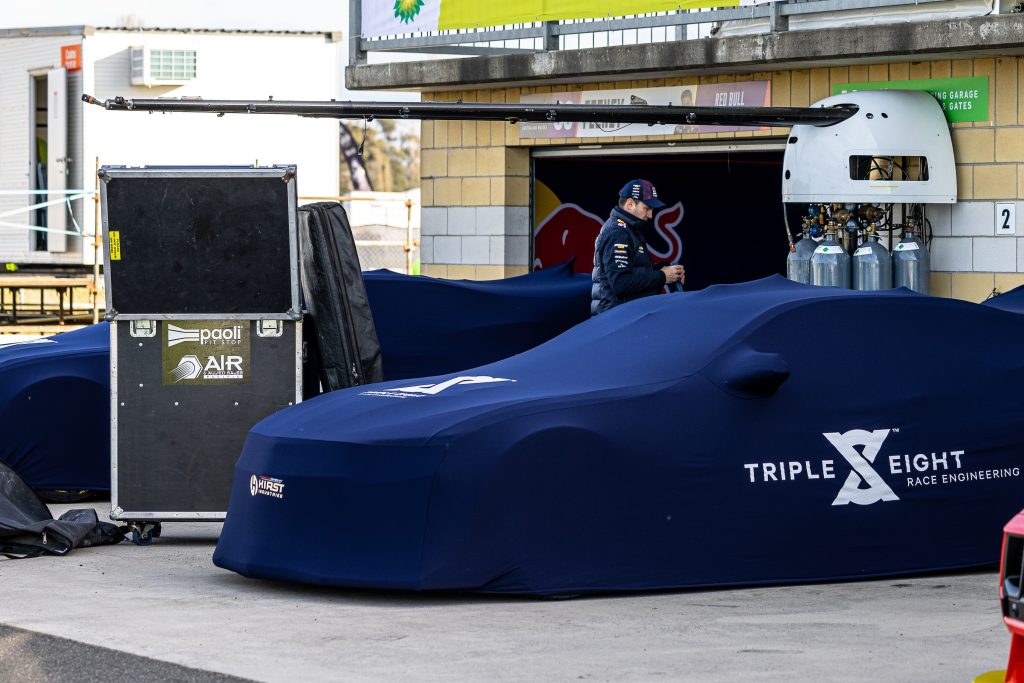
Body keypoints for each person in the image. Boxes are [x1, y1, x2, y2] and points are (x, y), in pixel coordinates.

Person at [591, 179, 684, 316]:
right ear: (630, 204)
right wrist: (663, 276)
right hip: (614, 321)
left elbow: (636, 272)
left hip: (623, 317)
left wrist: (668, 270)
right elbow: (621, 284)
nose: (650, 215)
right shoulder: (618, 232)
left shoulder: (629, 229)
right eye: (647, 208)